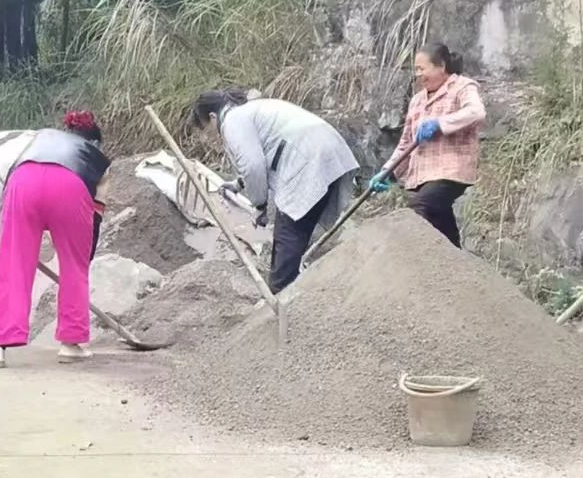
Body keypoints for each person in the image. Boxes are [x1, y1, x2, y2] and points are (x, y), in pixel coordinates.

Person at [189, 89, 359, 294]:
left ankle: (281, 294)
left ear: (212, 117)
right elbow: (265, 151)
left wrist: (260, 206)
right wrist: (239, 184)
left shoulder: (233, 121)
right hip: (325, 150)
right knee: (296, 233)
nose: (207, 136)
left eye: (205, 129)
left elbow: (253, 165)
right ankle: (296, 288)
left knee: (288, 236)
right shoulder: (249, 111)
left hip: (308, 158)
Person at [0, 110, 111, 368]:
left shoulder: (41, 139)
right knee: (74, 267)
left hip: (23, 182)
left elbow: (10, 180)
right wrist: (84, 257)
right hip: (70, 188)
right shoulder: (97, 161)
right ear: (94, 142)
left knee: (13, 263)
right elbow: (96, 215)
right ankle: (71, 344)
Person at [367, 44, 488, 247]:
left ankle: (410, 260)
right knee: (440, 226)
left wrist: (440, 124)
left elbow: (476, 112)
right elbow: (406, 142)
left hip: (450, 172)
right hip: (422, 176)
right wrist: (388, 171)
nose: (418, 74)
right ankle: (455, 260)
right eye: (416, 69)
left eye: (422, 68)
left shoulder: (462, 87)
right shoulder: (417, 101)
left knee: (418, 209)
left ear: (441, 66)